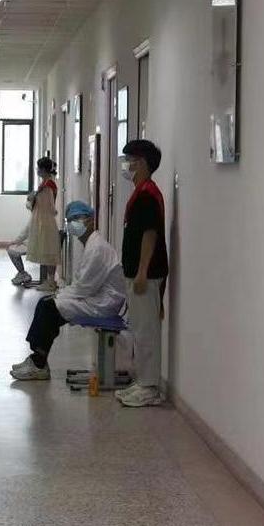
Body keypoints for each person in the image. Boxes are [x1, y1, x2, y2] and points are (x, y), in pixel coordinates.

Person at [10, 201, 126, 381]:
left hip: (103, 303)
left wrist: (60, 295)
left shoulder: (97, 248)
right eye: (70, 220)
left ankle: (38, 364)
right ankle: (37, 359)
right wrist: (61, 295)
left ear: (90, 220)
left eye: (78, 218)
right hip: (96, 297)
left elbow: (84, 287)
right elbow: (83, 285)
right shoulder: (92, 244)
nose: (73, 223)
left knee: (48, 307)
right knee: (47, 304)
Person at [114, 139, 169, 408]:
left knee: (146, 331)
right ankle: (143, 381)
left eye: (130, 159)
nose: (127, 164)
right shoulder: (141, 192)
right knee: (139, 328)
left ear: (143, 162)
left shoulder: (147, 194)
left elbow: (150, 234)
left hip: (145, 274)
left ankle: (150, 387)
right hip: (137, 272)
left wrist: (142, 272)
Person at [25, 157, 61, 292]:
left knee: (49, 252)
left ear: (44, 169)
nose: (37, 170)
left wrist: (32, 199)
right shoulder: (44, 184)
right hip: (43, 221)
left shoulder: (48, 186)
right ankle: (49, 281)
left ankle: (51, 282)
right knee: (46, 251)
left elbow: (49, 207)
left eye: (38, 168)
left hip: (45, 222)